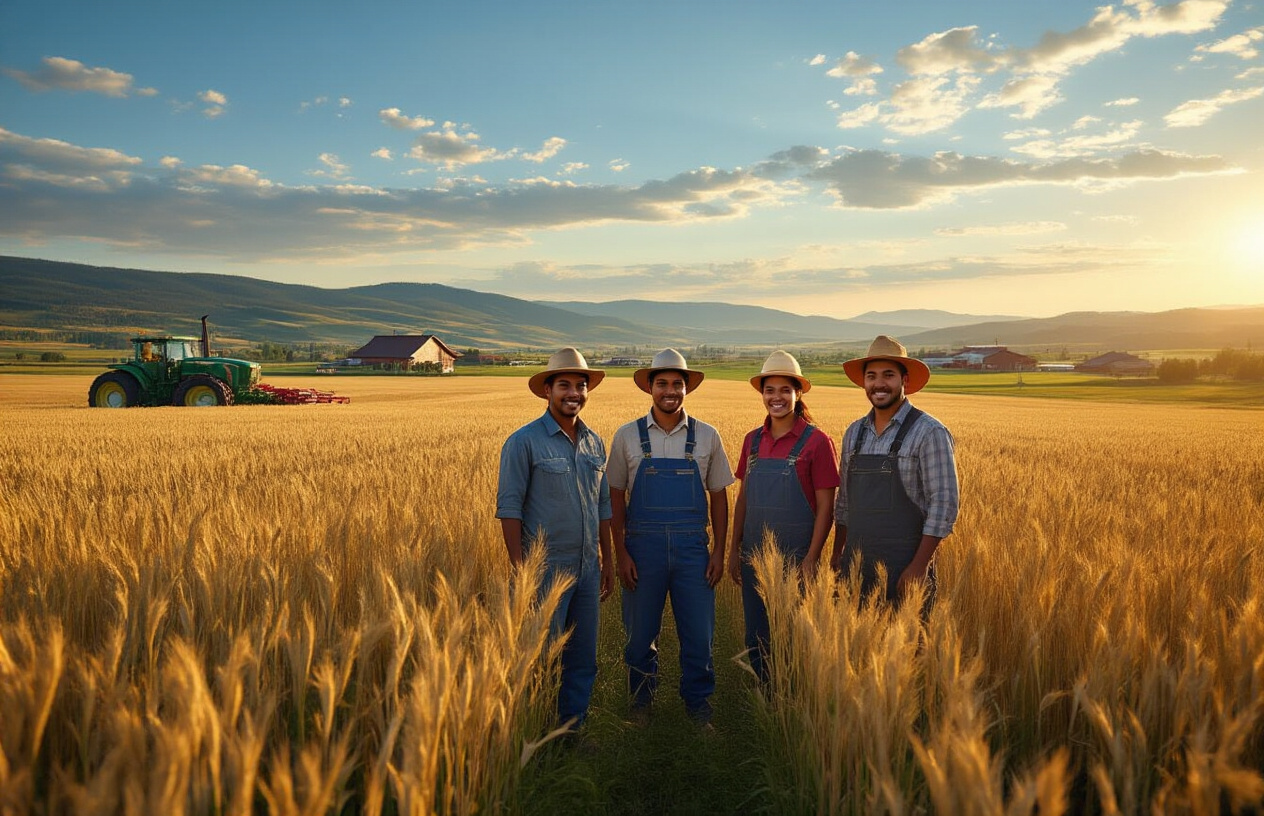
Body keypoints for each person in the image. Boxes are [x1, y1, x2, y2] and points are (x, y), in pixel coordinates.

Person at [607, 348, 734, 727]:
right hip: (641, 550)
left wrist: (719, 553)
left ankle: (698, 707)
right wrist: (621, 553)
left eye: (677, 384)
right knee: (639, 635)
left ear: (687, 388)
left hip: (694, 550)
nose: (670, 390)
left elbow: (719, 498)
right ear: (649, 387)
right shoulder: (627, 436)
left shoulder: (708, 436)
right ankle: (641, 703)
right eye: (662, 383)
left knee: (699, 635)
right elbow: (614, 497)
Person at [496, 347, 615, 731]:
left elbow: (604, 508)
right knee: (542, 655)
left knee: (582, 656)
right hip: (544, 568)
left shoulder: (595, 443)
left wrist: (607, 562)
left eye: (581, 385)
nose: (574, 393)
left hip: (587, 567)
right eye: (564, 385)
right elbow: (509, 508)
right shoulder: (524, 442)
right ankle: (537, 731)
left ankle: (571, 730)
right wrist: (521, 569)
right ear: (548, 390)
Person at [728, 350, 839, 684]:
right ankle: (766, 699)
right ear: (762, 394)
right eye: (769, 390)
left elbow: (826, 509)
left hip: (796, 558)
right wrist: (734, 550)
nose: (776, 397)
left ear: (798, 393)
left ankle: (792, 700)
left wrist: (811, 558)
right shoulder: (752, 440)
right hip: (753, 555)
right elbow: (744, 498)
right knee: (757, 636)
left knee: (793, 636)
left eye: (784, 390)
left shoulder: (818, 442)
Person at [831, 336, 959, 610]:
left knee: (908, 651)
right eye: (871, 376)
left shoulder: (929, 432)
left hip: (906, 570)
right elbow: (844, 502)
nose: (879, 384)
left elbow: (944, 504)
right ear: (863, 382)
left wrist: (919, 566)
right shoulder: (854, 433)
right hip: (856, 569)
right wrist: (838, 552)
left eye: (888, 375)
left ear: (904, 380)